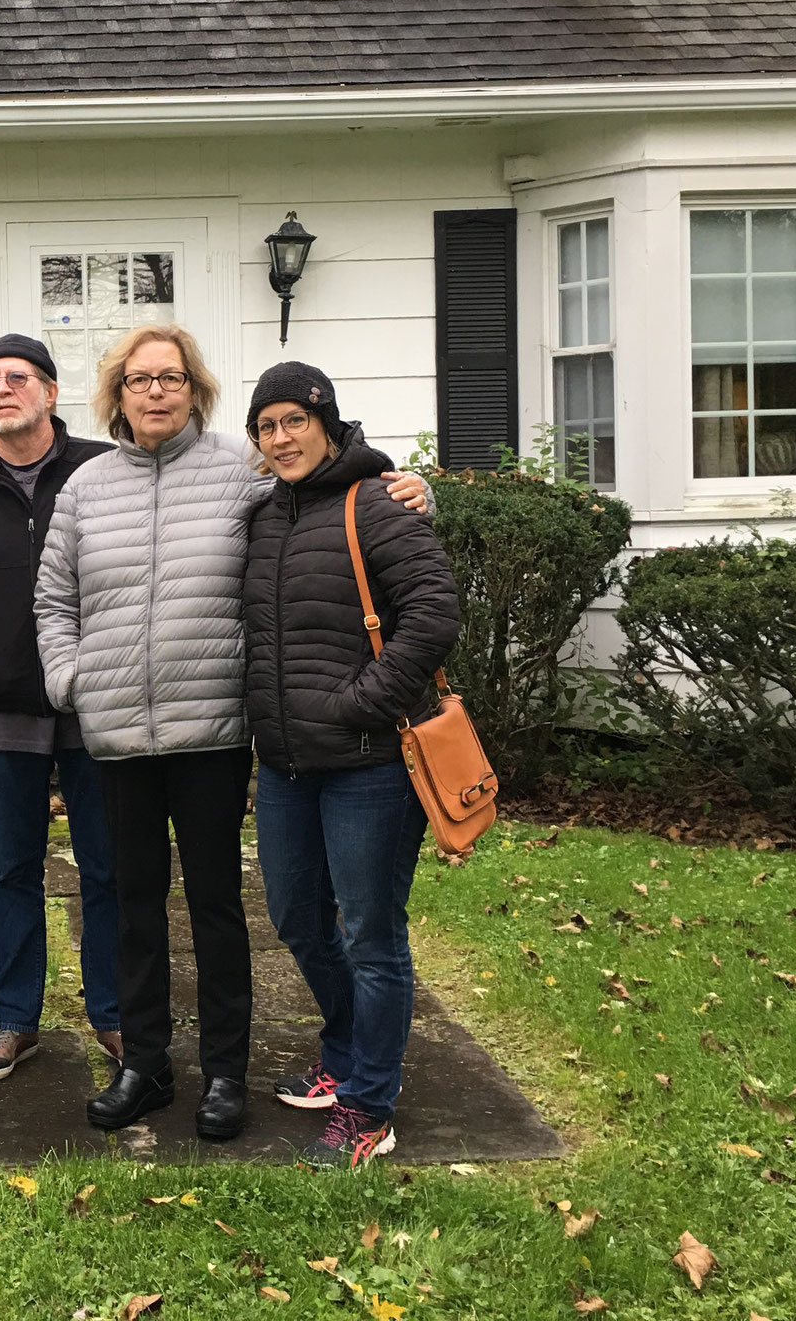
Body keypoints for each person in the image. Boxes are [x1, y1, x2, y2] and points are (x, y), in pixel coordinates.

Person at [34, 327, 426, 1141]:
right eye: (138, 380)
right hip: (116, 737)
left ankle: (223, 1074)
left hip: (212, 729)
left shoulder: (240, 473)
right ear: (116, 393)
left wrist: (415, 487)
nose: (154, 392)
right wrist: (69, 681)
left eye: (170, 377)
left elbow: (332, 484)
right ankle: (143, 1065)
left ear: (195, 389)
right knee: (133, 906)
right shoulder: (84, 487)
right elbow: (53, 601)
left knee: (217, 908)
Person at [242, 362, 461, 1168]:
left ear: (327, 422)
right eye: (266, 427)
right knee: (299, 918)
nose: (281, 438)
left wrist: (359, 701)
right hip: (286, 766)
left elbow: (435, 615)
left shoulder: (376, 504)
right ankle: (345, 1053)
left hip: (368, 764)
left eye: (294, 420)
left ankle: (370, 1106)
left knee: (372, 934)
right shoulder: (265, 518)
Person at [0, 334, 123, 1086]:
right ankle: (14, 1021)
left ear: (48, 391)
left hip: (97, 710)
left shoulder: (104, 468)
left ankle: (112, 1014)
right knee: (11, 869)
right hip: (3, 715)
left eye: (18, 378)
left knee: (107, 867)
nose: (3, 390)